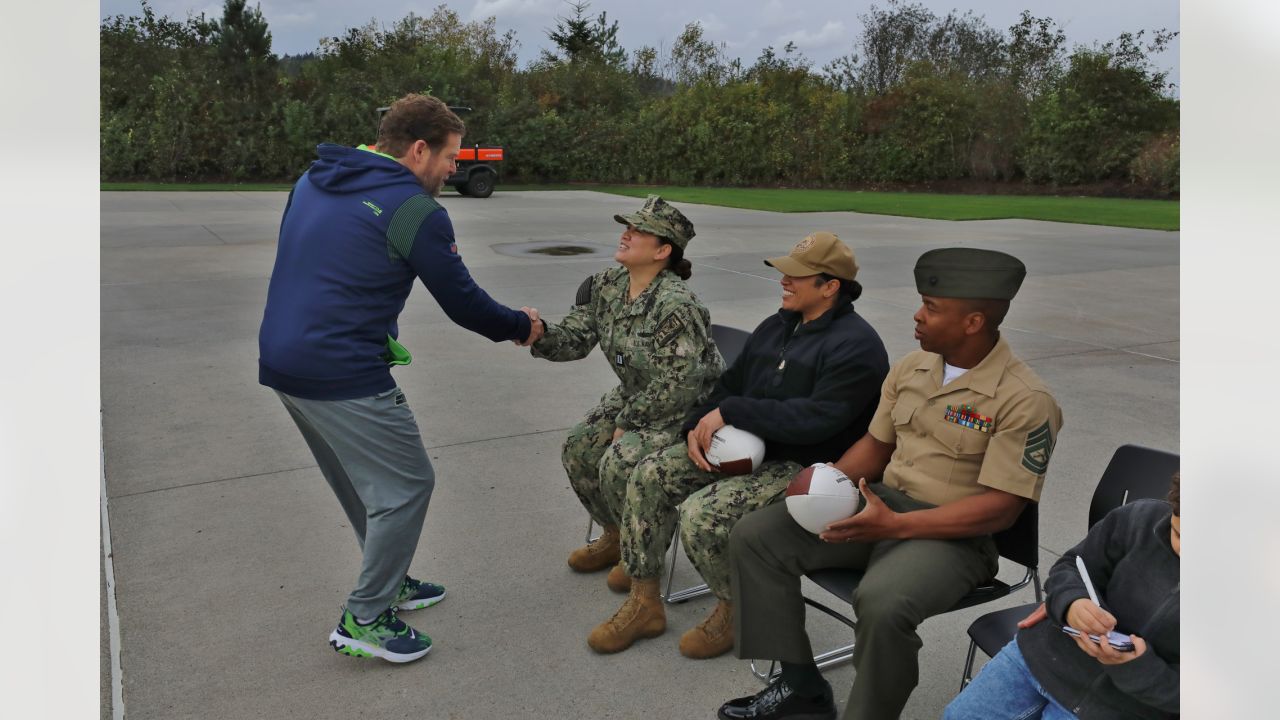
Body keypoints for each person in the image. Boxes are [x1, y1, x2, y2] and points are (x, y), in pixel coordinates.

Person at [719, 247, 1064, 720]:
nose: (917, 316)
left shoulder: (1024, 399)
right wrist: (824, 483)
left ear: (973, 322)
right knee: (756, 537)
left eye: (933, 308)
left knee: (881, 603)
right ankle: (803, 690)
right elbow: (876, 447)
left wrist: (893, 528)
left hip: (951, 537)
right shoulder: (911, 368)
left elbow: (1001, 510)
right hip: (876, 507)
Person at [257, 94, 543, 664]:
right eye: (450, 157)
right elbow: (462, 302)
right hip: (343, 369)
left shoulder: (315, 177)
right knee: (408, 484)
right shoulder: (415, 211)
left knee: (364, 484)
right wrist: (522, 327)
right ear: (418, 149)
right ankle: (365, 618)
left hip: (283, 359)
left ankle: (390, 581)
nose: (453, 169)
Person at [588, 232, 889, 657]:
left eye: (796, 275)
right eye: (784, 271)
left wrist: (734, 412)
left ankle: (736, 610)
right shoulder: (777, 326)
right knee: (650, 473)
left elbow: (817, 422)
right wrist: (697, 427)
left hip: (802, 466)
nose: (784, 280)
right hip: (741, 447)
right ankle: (644, 601)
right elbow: (727, 386)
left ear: (830, 286)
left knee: (703, 514)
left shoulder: (856, 347)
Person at [526, 195, 723, 651]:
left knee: (620, 462)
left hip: (686, 407)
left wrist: (628, 421)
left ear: (663, 251)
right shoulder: (609, 284)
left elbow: (684, 383)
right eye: (627, 226)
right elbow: (575, 339)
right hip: (638, 394)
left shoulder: (675, 304)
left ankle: (645, 597)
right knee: (578, 447)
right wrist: (536, 333)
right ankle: (617, 534)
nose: (626, 233)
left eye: (639, 230)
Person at [944, 473, 1180, 720]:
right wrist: (1072, 603)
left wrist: (1138, 669)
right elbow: (1070, 566)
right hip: (1044, 656)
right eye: (1177, 534)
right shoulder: (1140, 519)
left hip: (1125, 707)